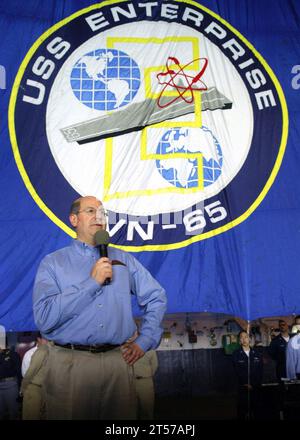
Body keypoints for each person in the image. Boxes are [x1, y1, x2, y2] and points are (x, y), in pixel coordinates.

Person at [32, 196, 167, 420]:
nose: (98, 217)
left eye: (102, 213)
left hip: (119, 364)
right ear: (74, 219)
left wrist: (145, 340)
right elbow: (44, 318)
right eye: (90, 211)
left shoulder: (124, 261)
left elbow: (157, 296)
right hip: (70, 365)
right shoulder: (53, 263)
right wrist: (91, 283)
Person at [232, 330, 263, 420]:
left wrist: (254, 384)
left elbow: (260, 371)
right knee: (242, 410)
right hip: (243, 387)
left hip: (255, 387)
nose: (244, 339)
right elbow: (236, 371)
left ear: (249, 339)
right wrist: (245, 383)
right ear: (239, 341)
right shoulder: (236, 354)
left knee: (257, 410)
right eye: (241, 337)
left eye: (246, 337)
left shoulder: (257, 353)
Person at [21, 334, 49, 420]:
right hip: (33, 388)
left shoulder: (49, 352)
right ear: (39, 339)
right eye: (46, 339)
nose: (48, 341)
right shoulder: (30, 353)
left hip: (46, 390)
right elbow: (26, 374)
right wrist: (23, 388)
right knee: (31, 415)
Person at [133, 350, 158, 419]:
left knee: (147, 407)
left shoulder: (151, 350)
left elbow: (155, 365)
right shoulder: (128, 348)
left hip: (145, 381)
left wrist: (147, 375)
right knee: (131, 408)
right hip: (130, 382)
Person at [0, 343, 22, 420]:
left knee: (14, 412)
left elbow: (19, 372)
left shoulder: (13, 354)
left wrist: (20, 388)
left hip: (10, 386)